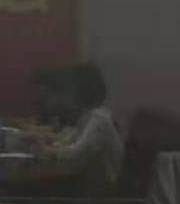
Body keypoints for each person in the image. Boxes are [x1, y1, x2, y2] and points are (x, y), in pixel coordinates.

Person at [39, 62, 124, 192]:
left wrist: (50, 151)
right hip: (95, 184)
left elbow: (76, 153)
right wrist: (49, 147)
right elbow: (71, 140)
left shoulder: (98, 119)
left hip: (107, 190)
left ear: (81, 91)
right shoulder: (89, 115)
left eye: (69, 89)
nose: (66, 94)